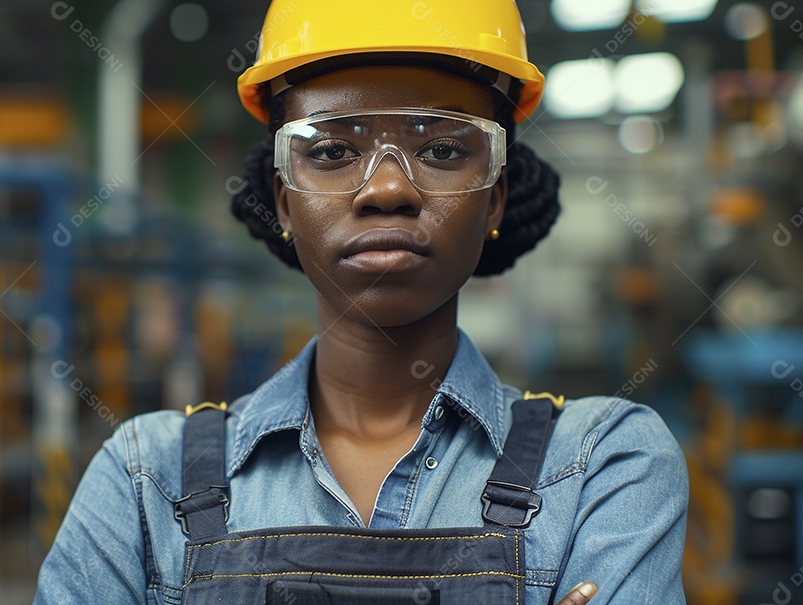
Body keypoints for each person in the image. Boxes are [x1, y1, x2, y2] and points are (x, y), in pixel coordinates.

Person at [34, 1, 689, 603]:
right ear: (283, 200)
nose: (386, 189)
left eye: (441, 148)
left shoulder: (601, 466)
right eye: (332, 150)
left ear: (494, 198)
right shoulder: (144, 480)